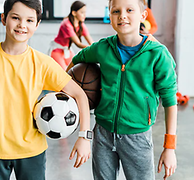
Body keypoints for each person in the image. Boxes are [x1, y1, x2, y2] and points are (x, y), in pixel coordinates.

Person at [0, 0, 91, 179]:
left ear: (37, 24)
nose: (22, 25)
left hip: (32, 152)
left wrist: (84, 137)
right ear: (4, 18)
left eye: (30, 20)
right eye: (15, 18)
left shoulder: (43, 64)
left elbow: (79, 95)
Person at [67, 0, 177, 179]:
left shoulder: (158, 55)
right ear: (110, 16)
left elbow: (170, 101)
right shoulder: (103, 48)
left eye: (130, 10)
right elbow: (78, 58)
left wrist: (169, 147)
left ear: (143, 15)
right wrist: (66, 93)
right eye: (116, 11)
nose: (122, 15)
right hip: (103, 132)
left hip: (137, 137)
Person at [48, 1, 94, 70]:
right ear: (74, 13)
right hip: (57, 50)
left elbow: (91, 43)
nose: (84, 15)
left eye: (85, 12)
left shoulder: (81, 25)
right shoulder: (66, 24)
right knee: (64, 73)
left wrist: (96, 47)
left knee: (75, 69)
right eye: (82, 12)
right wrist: (93, 48)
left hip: (67, 50)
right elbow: (78, 43)